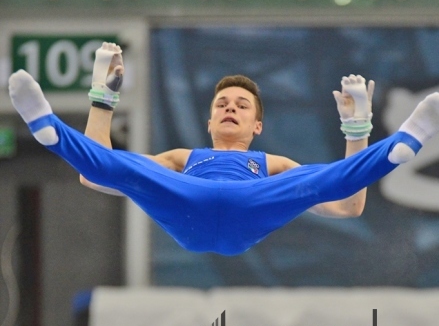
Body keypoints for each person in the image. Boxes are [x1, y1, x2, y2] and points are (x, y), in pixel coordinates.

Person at [8, 42, 439, 256]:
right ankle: (49, 130)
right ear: (209, 122)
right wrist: (102, 99)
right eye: (222, 104)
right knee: (131, 169)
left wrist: (356, 130)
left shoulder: (273, 164)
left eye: (241, 105)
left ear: (257, 125)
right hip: (187, 202)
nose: (230, 107)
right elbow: (97, 174)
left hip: (249, 208)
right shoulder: (181, 158)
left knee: (311, 180)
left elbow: (346, 207)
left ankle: (398, 146)